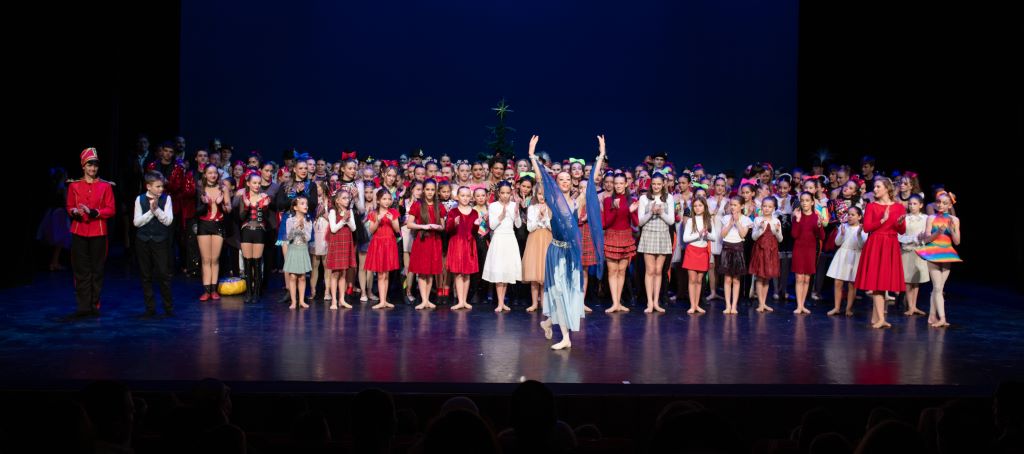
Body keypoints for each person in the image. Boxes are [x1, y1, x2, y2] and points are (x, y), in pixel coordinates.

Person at [529, 134, 605, 350]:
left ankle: (548, 323)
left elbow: (592, 183)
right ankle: (565, 337)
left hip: (571, 253)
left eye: (567, 180)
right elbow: (541, 178)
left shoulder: (577, 201)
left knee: (568, 294)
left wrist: (600, 155)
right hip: (555, 252)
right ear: (557, 183)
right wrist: (532, 156)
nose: (564, 182)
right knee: (558, 293)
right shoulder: (552, 200)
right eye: (560, 179)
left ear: (572, 182)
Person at [65, 148, 116, 320]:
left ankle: (94, 305)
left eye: (95, 165)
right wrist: (74, 211)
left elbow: (111, 209)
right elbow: (69, 205)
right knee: (81, 271)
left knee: (97, 270)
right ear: (83, 166)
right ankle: (83, 306)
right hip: (79, 231)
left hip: (98, 232)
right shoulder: (73, 185)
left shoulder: (105, 186)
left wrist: (94, 212)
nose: (93, 168)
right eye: (89, 165)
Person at [855, 177, 908, 329]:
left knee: (883, 282)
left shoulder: (899, 207)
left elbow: (902, 231)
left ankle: (876, 318)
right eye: (874, 187)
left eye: (878, 186)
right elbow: (866, 228)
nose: (875, 189)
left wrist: (899, 224)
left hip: (890, 244)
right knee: (877, 283)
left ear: (887, 188)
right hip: (876, 244)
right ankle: (881, 319)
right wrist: (882, 220)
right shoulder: (872, 206)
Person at [133, 171, 175, 318]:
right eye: (157, 186)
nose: (161, 189)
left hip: (160, 241)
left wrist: (156, 210)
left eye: (162, 186)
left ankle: (168, 307)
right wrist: (151, 212)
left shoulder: (166, 199)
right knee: (146, 275)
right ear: (148, 186)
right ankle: (150, 308)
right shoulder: (140, 199)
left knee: (163, 274)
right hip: (143, 241)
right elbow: (137, 222)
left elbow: (168, 221)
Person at [918, 191, 962, 328]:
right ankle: (942, 318)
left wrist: (952, 229)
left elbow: (957, 242)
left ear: (950, 206)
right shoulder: (931, 218)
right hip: (933, 253)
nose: (940, 205)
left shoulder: (955, 220)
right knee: (937, 288)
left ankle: (932, 316)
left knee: (938, 288)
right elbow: (927, 239)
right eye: (938, 202)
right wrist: (938, 232)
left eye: (944, 203)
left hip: (947, 254)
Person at [482, 181, 523, 312]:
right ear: (498, 193)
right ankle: (500, 303)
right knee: (499, 270)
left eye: (508, 193)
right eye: (503, 193)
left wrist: (516, 213)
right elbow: (492, 226)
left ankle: (502, 302)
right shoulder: (493, 206)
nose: (505, 195)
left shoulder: (514, 205)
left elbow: (518, 225)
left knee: (506, 271)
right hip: (499, 239)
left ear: (511, 193)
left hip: (510, 238)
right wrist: (501, 216)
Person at [637, 173, 675, 313]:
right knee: (650, 270)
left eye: (659, 184)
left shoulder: (669, 198)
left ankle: (656, 302)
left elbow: (671, 221)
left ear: (663, 183)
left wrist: (661, 213)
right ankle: (649, 303)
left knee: (659, 271)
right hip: (649, 234)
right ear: (650, 184)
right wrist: (651, 212)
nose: (656, 186)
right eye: (654, 184)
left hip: (663, 235)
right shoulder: (644, 198)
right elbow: (640, 222)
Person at [407, 179, 447, 310]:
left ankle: (427, 300)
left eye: (432, 190)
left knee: (430, 272)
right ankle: (423, 300)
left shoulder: (439, 206)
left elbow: (443, 226)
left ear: (436, 191)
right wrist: (423, 226)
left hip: (435, 241)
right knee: (422, 271)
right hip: (422, 240)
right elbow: (409, 224)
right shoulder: (417, 205)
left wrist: (437, 227)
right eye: (427, 189)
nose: (430, 192)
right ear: (423, 190)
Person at [195, 164, 231, 301]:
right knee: (206, 259)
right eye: (209, 173)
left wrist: (222, 204)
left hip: (218, 224)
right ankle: (206, 291)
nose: (213, 175)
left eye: (215, 172)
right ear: (205, 174)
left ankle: (214, 290)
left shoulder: (223, 188)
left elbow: (229, 209)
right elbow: (196, 211)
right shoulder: (200, 188)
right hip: (204, 225)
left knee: (214, 259)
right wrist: (204, 203)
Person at [235, 172, 270, 303]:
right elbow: (241, 217)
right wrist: (247, 206)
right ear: (248, 183)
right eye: (254, 183)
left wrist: (262, 206)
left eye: (259, 183)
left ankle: (256, 292)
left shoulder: (264, 197)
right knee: (247, 263)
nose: (257, 185)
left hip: (259, 231)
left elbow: (262, 219)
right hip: (246, 231)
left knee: (257, 262)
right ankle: (248, 292)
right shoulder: (243, 197)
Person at [826, 206, 868, 316]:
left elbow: (861, 245)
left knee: (852, 284)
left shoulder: (863, 229)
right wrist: (842, 234)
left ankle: (848, 309)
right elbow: (837, 243)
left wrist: (859, 234)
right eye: (848, 214)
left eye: (853, 215)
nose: (849, 216)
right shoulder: (843, 226)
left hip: (855, 255)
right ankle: (836, 307)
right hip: (842, 255)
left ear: (859, 216)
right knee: (838, 282)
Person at [365, 188, 401, 309]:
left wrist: (392, 221)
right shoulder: (374, 213)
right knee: (380, 274)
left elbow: (397, 230)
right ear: (378, 201)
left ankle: (384, 300)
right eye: (384, 199)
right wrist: (378, 220)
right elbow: (371, 230)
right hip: (378, 244)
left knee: (386, 274)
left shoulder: (393, 212)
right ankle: (381, 301)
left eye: (389, 199)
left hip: (390, 243)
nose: (387, 201)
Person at [446, 186, 481, 310]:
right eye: (462, 195)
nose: (465, 198)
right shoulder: (453, 212)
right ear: (457, 197)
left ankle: (464, 300)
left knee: (467, 273)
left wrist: (476, 225)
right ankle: (460, 300)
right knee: (458, 273)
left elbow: (474, 232)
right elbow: (448, 230)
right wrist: (453, 223)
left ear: (470, 197)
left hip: (469, 244)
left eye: (467, 196)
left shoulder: (474, 212)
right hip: (457, 244)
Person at [681, 197, 716, 314]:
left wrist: (706, 235)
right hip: (692, 251)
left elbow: (714, 237)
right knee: (692, 279)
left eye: (700, 205)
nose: (697, 208)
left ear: (704, 207)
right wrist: (699, 234)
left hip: (703, 251)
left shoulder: (708, 220)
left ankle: (697, 305)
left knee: (699, 280)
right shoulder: (691, 221)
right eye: (695, 206)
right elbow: (685, 238)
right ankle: (692, 305)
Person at [522, 181, 552, 312]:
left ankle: (544, 303)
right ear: (536, 194)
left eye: (544, 194)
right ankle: (534, 303)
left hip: (547, 239)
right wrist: (538, 217)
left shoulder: (551, 208)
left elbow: (552, 228)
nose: (542, 197)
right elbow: (530, 227)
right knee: (534, 273)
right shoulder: (532, 208)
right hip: (534, 239)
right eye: (539, 194)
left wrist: (545, 217)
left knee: (545, 274)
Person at [749, 197, 783, 313]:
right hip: (760, 250)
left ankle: (764, 303)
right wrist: (760, 229)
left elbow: (780, 239)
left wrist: (777, 231)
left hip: (771, 250)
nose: (767, 208)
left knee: (767, 277)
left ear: (774, 208)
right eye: (764, 206)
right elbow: (753, 237)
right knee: (760, 276)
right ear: (761, 207)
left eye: (769, 206)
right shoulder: (757, 220)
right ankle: (761, 303)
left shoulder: (776, 221)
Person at [898, 195, 930, 316]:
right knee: (908, 280)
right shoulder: (905, 218)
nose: (912, 206)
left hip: (920, 251)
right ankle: (910, 306)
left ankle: (914, 306)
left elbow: (927, 234)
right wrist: (914, 238)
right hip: (907, 251)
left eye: (915, 204)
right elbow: (900, 236)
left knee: (917, 280)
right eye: (910, 204)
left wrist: (922, 239)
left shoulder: (926, 218)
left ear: (921, 205)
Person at [325, 190, 356, 309]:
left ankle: (341, 299)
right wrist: (343, 220)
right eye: (344, 198)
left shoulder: (349, 211)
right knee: (335, 273)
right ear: (337, 200)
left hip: (346, 242)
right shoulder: (333, 211)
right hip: (337, 242)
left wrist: (347, 219)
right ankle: (334, 300)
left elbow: (353, 228)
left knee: (343, 273)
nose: (347, 200)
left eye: (348, 198)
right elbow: (333, 229)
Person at [283, 196, 313, 309]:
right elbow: (289, 237)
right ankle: (293, 301)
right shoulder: (289, 220)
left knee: (302, 277)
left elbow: (308, 238)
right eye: (302, 203)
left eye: (306, 204)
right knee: (292, 277)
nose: (306, 206)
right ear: (295, 207)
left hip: (302, 250)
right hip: (293, 250)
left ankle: (301, 301)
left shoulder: (308, 221)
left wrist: (303, 228)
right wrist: (295, 227)